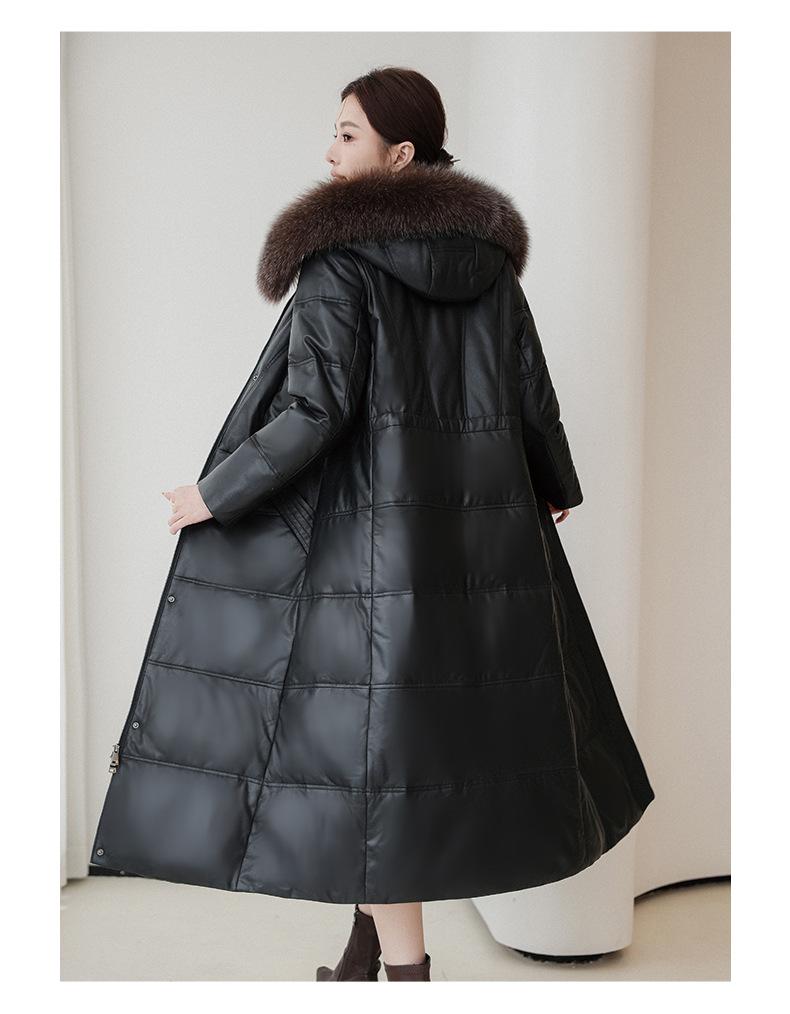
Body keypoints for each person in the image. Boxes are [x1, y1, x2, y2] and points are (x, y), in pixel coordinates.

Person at [93, 65, 654, 983]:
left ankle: (407, 977)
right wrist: (554, 485)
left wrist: (215, 494)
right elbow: (531, 393)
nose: (329, 150)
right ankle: (360, 962)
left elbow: (315, 413)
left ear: (400, 154)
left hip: (368, 557)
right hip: (475, 548)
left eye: (347, 133)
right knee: (403, 757)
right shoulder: (487, 265)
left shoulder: (339, 261)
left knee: (374, 769)